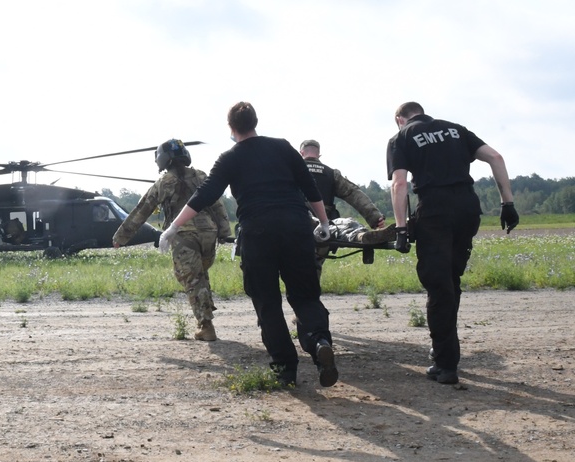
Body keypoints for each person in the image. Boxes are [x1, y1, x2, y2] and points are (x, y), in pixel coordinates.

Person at [160, 102, 338, 388]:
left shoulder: (229, 158)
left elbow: (204, 195)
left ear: (231, 128)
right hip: (296, 228)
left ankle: (285, 369)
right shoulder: (283, 147)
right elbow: (310, 187)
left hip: (258, 233)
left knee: (267, 302)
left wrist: (173, 226)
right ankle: (319, 343)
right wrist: (325, 223)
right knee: (305, 296)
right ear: (256, 121)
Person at [387, 101, 519, 385]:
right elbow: (495, 156)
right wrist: (507, 203)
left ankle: (446, 365)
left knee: (438, 285)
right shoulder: (455, 129)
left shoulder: (401, 137)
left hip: (435, 210)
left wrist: (400, 229)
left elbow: (400, 183)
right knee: (451, 279)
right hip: (467, 208)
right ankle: (445, 352)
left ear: (400, 119)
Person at [113, 139, 233, 341]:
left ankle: (206, 326)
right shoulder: (202, 177)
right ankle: (205, 313)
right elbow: (218, 206)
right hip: (208, 234)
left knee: (192, 279)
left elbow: (141, 211)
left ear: (162, 160)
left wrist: (120, 237)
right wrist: (224, 231)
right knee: (200, 276)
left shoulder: (163, 183)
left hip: (183, 235)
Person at [300, 139, 390, 274]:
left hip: (296, 223)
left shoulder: (291, 171)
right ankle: (360, 235)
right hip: (324, 229)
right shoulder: (331, 174)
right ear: (319, 155)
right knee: (346, 225)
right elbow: (353, 193)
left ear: (301, 153)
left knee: (297, 268)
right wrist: (375, 218)